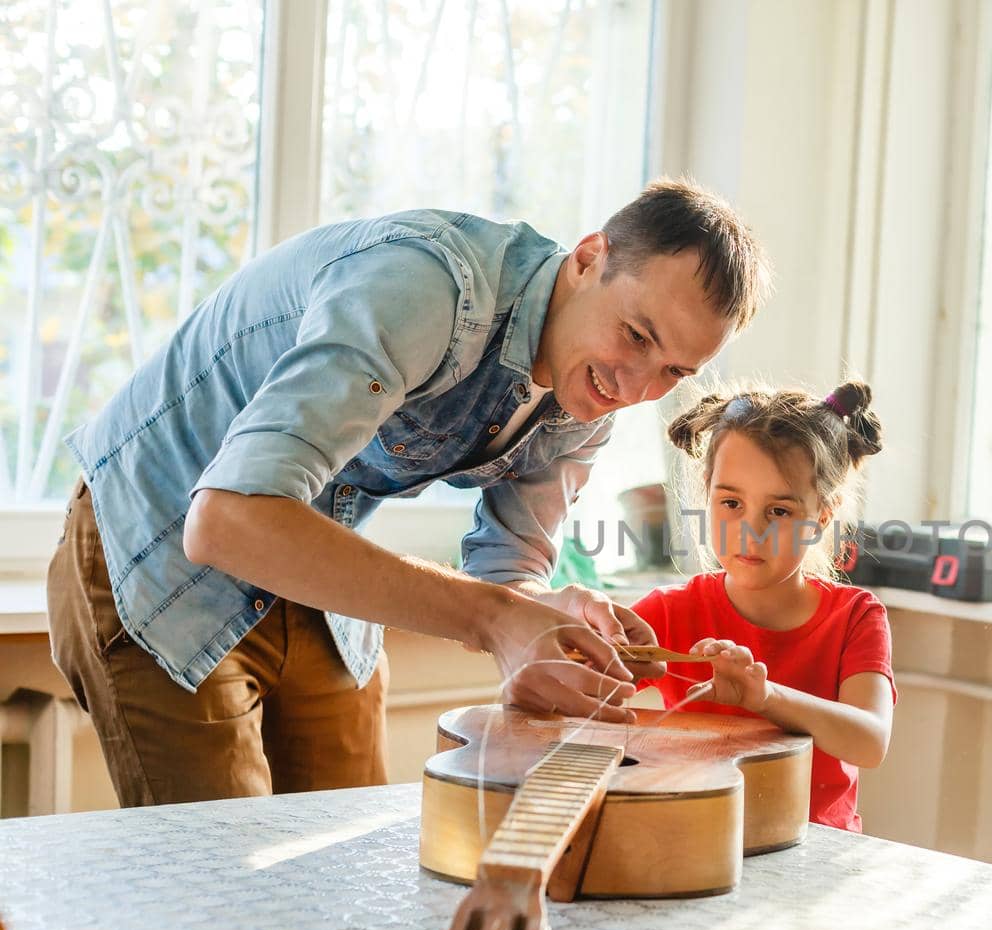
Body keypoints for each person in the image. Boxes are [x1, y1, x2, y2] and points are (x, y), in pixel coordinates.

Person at [46, 178, 771, 806]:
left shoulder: (588, 400)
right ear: (588, 260)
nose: (636, 387)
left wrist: (550, 613)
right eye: (637, 334)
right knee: (227, 893)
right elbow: (227, 521)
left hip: (312, 551)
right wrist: (497, 618)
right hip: (158, 543)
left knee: (343, 882)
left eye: (674, 371)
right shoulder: (426, 286)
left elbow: (507, 572)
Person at [630, 381, 895, 831]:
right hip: (691, 839)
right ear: (706, 497)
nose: (750, 531)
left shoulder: (856, 617)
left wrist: (765, 698)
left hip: (815, 854)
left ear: (822, 516)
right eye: (731, 502)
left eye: (779, 511)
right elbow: (579, 697)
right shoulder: (667, 613)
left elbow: (869, 740)